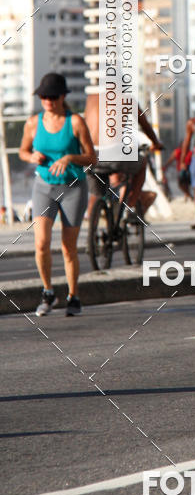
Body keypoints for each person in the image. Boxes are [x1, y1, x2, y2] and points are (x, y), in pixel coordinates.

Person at [18, 72, 96, 316]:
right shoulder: (32, 123)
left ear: (63, 97)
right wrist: (31, 156)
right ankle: (48, 292)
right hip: (44, 187)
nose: (48, 101)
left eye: (52, 96)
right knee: (41, 243)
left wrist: (70, 157)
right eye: (43, 97)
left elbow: (92, 157)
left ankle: (73, 297)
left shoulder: (75, 122)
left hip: (73, 188)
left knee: (67, 246)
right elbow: (22, 150)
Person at [83, 94, 163, 223]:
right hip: (114, 156)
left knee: (97, 193)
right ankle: (128, 209)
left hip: (91, 157)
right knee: (142, 162)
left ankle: (94, 226)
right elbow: (145, 125)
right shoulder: (126, 99)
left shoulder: (91, 98)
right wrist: (156, 143)